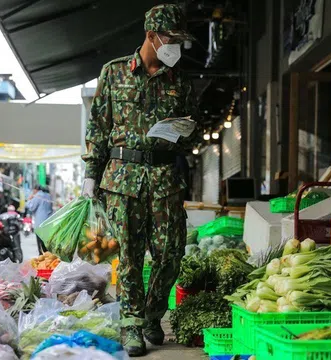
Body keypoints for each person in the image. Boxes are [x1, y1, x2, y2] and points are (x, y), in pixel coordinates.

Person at [81, 4, 199, 356]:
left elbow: (192, 135)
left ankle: (152, 314)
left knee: (170, 255)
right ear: (152, 36)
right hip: (122, 179)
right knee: (130, 256)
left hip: (164, 177)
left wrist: (183, 132)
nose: (177, 47)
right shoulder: (114, 73)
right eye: (172, 39)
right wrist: (91, 174)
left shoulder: (180, 81)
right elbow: (98, 128)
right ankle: (131, 323)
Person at [26, 185, 53, 255]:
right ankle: (48, 258)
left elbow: (31, 207)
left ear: (35, 190)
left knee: (40, 246)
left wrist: (29, 199)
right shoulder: (48, 196)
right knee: (46, 244)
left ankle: (42, 259)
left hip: (40, 223)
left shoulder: (38, 195)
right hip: (48, 223)